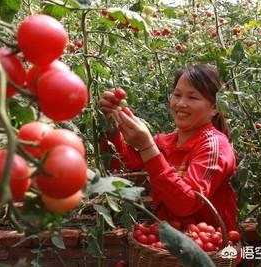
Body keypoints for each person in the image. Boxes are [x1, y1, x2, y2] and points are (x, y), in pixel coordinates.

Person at [99, 63, 237, 231]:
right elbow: (119, 162)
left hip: (209, 248)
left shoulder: (215, 146)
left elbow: (186, 203)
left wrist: (147, 147)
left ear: (214, 107)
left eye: (192, 98)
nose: (180, 103)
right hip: (169, 244)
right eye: (177, 95)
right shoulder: (166, 142)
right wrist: (110, 123)